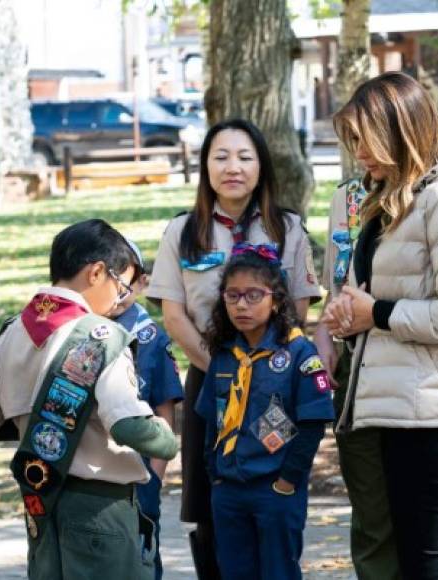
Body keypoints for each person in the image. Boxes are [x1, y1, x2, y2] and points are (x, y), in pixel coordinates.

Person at [320, 72, 438, 579]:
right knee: (433, 558)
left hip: (435, 407)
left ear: (401, 130)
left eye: (366, 139)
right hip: (410, 401)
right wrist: (353, 311)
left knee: (426, 562)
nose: (358, 153)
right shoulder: (401, 192)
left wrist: (374, 313)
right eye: (352, 141)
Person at [145, 118, 322, 578]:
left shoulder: (287, 229)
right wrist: (225, 367)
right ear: (205, 166)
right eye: (220, 157)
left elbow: (299, 308)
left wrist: (262, 371)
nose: (233, 167)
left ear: (261, 166)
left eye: (245, 157)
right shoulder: (183, 231)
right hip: (211, 382)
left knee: (273, 503)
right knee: (213, 508)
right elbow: (174, 315)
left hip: (277, 385)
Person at [0, 219, 179, 580]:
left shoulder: (11, 331)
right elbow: (129, 425)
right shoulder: (101, 336)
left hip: (40, 502)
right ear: (97, 272)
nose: (119, 299)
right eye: (122, 285)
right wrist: (166, 438)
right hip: (100, 508)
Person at [195, 243, 335, 580]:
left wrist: (288, 480)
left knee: (278, 572)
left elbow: (313, 423)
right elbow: (211, 419)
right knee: (234, 571)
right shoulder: (225, 356)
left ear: (276, 300)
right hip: (229, 488)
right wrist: (214, 473)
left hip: (274, 488)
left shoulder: (300, 353)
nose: (242, 305)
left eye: (254, 295)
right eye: (233, 296)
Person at [314, 175, 401, 580]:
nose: (359, 150)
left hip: (415, 366)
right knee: (370, 511)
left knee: (431, 517)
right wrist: (322, 333)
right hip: (355, 362)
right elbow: (338, 280)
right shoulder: (346, 197)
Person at [109, 239, 185, 580]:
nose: (119, 290)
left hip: (140, 474)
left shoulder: (149, 336)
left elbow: (163, 409)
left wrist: (156, 474)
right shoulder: (81, 331)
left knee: (142, 557)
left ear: (142, 282)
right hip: (96, 472)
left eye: (128, 280)